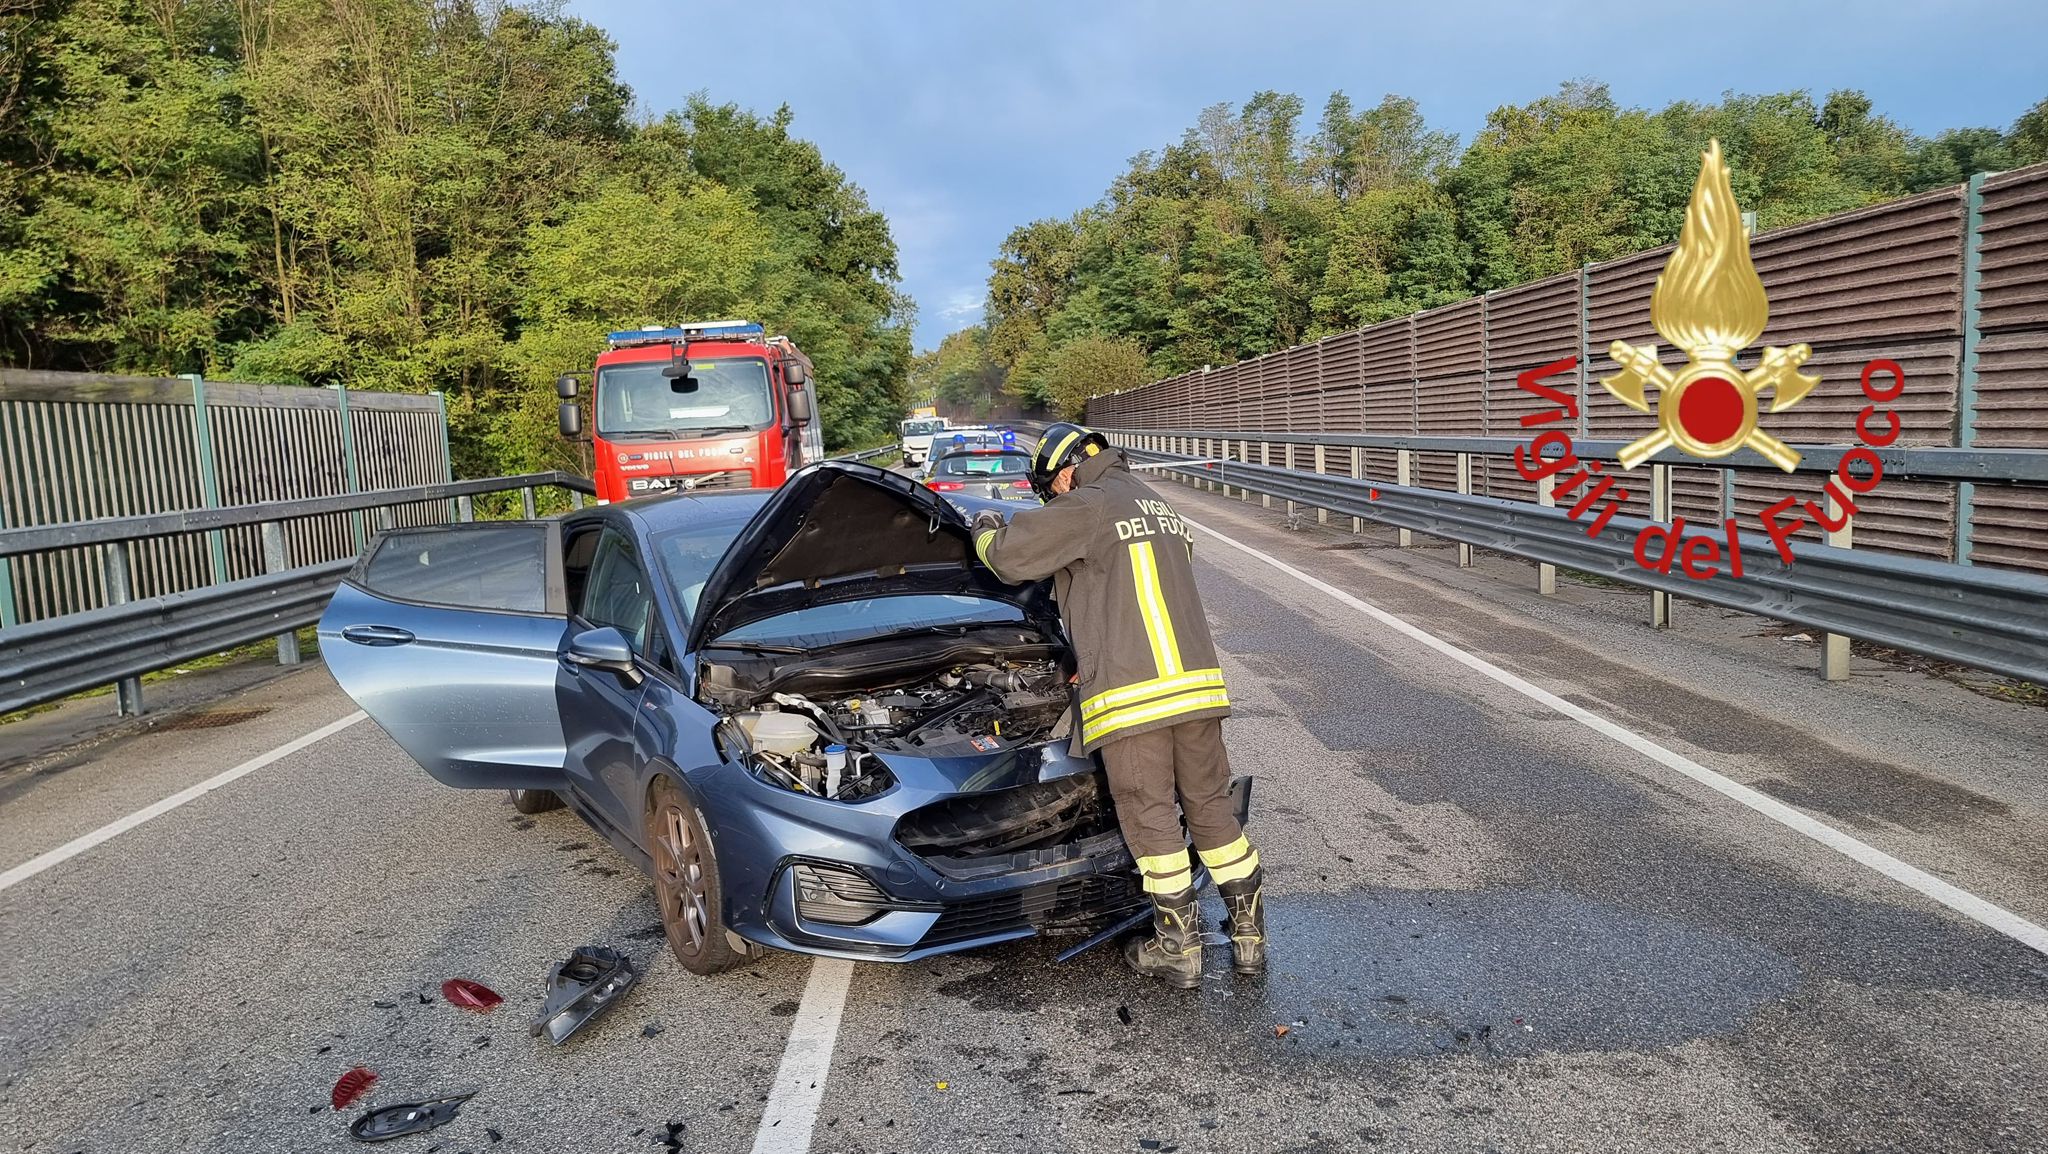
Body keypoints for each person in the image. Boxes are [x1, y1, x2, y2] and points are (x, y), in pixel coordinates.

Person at [969, 422, 1265, 988]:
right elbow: (1126, 591)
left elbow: (1007, 558)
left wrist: (984, 527)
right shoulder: (1156, 505)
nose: (1054, 498)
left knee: (1150, 812)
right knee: (1209, 805)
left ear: (1064, 471)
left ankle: (1178, 948)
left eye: (1049, 489)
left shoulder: (1088, 504)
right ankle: (1250, 938)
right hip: (1196, 687)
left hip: (1134, 695)